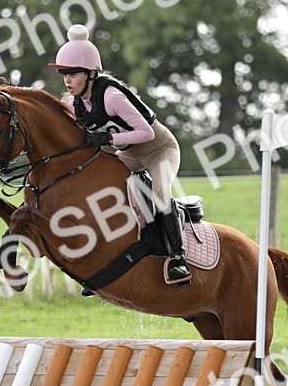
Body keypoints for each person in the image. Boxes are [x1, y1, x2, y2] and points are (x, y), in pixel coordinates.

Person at [48, 24, 191, 286]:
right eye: (64, 75)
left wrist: (108, 139)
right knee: (100, 192)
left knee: (160, 193)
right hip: (130, 154)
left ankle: (178, 259)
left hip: (159, 149)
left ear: (91, 74)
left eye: (73, 74)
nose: (67, 81)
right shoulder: (73, 104)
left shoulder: (112, 96)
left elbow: (146, 133)